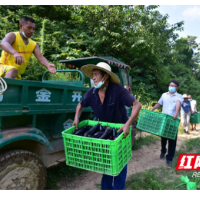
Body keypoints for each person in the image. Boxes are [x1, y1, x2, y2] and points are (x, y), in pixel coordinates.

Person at [72, 62, 141, 190]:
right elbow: (80, 105)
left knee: (120, 163)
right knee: (107, 163)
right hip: (105, 131)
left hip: (121, 132)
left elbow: (137, 105)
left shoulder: (118, 90)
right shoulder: (92, 92)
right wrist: (76, 117)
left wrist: (128, 124)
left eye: (96, 74)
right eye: (93, 75)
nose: (93, 78)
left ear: (106, 76)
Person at [151, 80, 183, 166]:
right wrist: (152, 109)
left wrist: (176, 113)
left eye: (174, 86)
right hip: (164, 120)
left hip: (173, 120)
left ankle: (169, 158)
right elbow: (159, 104)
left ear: (177, 88)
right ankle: (163, 151)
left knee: (172, 139)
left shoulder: (179, 96)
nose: (171, 87)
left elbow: (178, 104)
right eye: (170, 85)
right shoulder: (164, 95)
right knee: (163, 138)